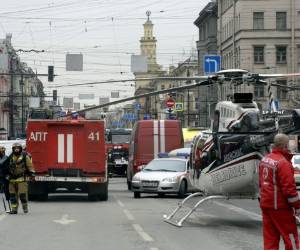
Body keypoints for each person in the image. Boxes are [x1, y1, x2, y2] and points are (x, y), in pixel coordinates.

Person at [259, 133, 300, 250]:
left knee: (270, 239)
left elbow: (261, 183)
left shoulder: (265, 159)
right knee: (291, 237)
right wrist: (297, 206)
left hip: (266, 205)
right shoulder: (283, 163)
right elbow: (289, 190)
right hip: (280, 207)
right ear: (285, 145)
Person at [6, 142, 35, 214]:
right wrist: (5, 175)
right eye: (15, 148)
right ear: (13, 149)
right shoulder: (9, 157)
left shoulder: (25, 156)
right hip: (11, 179)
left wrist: (32, 174)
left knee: (22, 194)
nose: (16, 149)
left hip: (21, 179)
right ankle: (14, 209)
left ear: (20, 149)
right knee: (12, 196)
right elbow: (5, 168)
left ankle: (25, 208)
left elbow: (30, 166)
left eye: (18, 148)